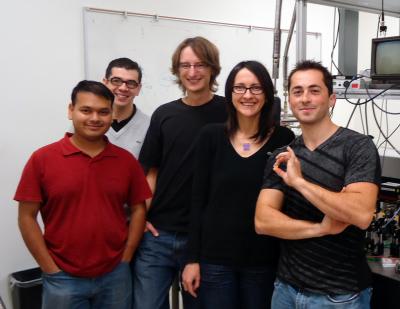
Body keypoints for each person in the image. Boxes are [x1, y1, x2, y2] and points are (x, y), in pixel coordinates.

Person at [255, 60, 381, 309]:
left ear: (331, 99)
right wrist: (321, 228)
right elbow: (263, 221)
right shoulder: (282, 155)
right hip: (286, 291)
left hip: (340, 296)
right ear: (290, 100)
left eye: (314, 91)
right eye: (297, 91)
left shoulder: (357, 147)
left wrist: (300, 183)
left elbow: (360, 213)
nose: (305, 99)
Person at [15, 80, 152, 309]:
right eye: (86, 110)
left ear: (111, 115)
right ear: (71, 111)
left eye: (103, 112)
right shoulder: (42, 159)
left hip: (115, 277)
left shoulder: (126, 161)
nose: (95, 118)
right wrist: (49, 267)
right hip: (62, 279)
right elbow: (26, 216)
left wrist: (126, 257)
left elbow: (139, 208)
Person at [181, 61, 295, 308]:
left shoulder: (283, 139)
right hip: (215, 261)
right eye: (240, 88)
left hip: (263, 260)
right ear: (230, 94)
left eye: (255, 88)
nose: (247, 95)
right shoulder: (210, 137)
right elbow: (197, 200)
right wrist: (192, 259)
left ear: (266, 94)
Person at [133, 36, 227, 309]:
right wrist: (142, 218)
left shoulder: (229, 113)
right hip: (158, 236)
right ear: (177, 70)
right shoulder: (164, 115)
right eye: (185, 65)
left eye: (200, 65)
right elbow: (151, 172)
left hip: (205, 239)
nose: (193, 72)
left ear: (212, 69)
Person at [103, 57, 150, 158]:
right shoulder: (90, 121)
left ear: (138, 89)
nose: (123, 88)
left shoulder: (150, 126)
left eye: (131, 83)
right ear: (105, 83)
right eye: (116, 81)